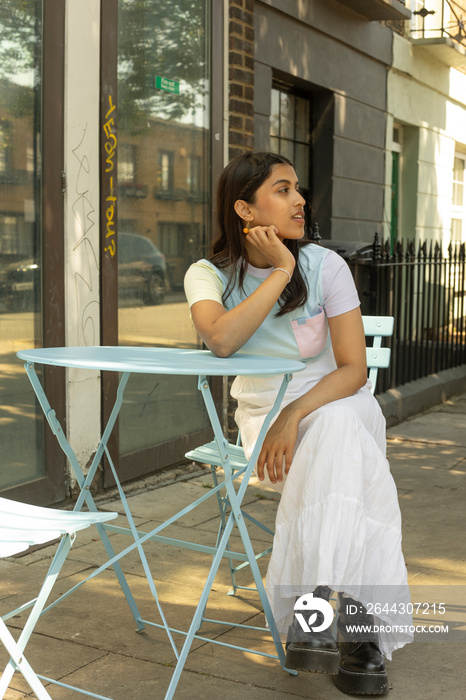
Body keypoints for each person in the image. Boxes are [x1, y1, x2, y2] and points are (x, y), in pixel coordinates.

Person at [183, 152, 412, 696]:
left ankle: (314, 617)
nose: (300, 200)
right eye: (283, 190)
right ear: (244, 208)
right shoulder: (209, 274)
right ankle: (360, 635)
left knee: (339, 425)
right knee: (348, 455)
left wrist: (296, 412)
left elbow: (354, 369)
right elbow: (220, 340)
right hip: (267, 425)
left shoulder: (329, 267)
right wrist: (281, 269)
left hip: (333, 406)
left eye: (298, 189)